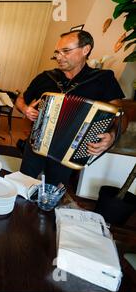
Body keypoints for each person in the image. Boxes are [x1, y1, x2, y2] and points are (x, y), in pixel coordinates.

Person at [15, 30, 125, 186]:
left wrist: (112, 136)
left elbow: (120, 115)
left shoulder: (103, 79)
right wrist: (25, 109)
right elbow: (20, 99)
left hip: (70, 152)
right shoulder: (46, 77)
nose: (59, 57)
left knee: (53, 192)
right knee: (22, 185)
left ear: (85, 50)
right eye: (57, 52)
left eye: (66, 51)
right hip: (35, 145)